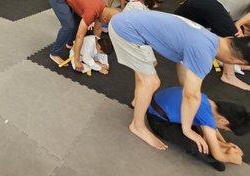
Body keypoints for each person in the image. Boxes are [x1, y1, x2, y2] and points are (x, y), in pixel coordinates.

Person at [107, 10, 250, 151]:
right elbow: (191, 95)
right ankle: (137, 126)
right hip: (125, 30)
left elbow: (184, 72)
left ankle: (138, 101)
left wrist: (194, 104)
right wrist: (187, 130)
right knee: (151, 82)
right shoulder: (204, 52)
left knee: (147, 71)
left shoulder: (212, 39)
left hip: (128, 21)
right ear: (235, 61)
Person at [147, 87, 247, 171]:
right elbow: (218, 155)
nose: (223, 130)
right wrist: (233, 158)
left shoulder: (210, 104)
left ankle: (216, 145)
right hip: (157, 120)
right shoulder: (208, 119)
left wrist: (226, 144)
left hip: (160, 102)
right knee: (199, 146)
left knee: (204, 136)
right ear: (223, 121)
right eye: (225, 129)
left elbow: (212, 130)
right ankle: (209, 155)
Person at [175, 0, 250, 90]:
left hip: (194, 1)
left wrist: (244, 61)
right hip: (209, 3)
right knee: (233, 36)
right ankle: (229, 76)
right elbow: (238, 32)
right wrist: (238, 24)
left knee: (188, 31)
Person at [48, 0, 120, 68]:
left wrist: (96, 48)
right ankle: (54, 53)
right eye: (107, 22)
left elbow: (97, 29)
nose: (105, 24)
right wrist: (77, 60)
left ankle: (70, 43)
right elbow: (80, 36)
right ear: (105, 18)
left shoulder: (103, 8)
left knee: (77, 22)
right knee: (69, 26)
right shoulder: (92, 11)